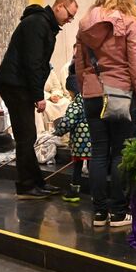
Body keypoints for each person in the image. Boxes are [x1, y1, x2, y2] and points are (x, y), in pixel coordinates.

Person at [75, 0, 136, 227]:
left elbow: (79, 65)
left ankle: (99, 213)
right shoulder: (128, 23)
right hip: (119, 94)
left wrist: (86, 88)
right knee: (119, 153)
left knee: (98, 152)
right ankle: (118, 212)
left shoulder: (85, 24)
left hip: (92, 94)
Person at [0, 0, 78, 199]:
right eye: (69, 15)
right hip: (15, 85)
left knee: (28, 135)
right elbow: (32, 62)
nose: (70, 20)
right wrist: (38, 95)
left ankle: (36, 182)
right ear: (59, 6)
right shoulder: (37, 23)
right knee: (26, 136)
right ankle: (26, 186)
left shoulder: (43, 24)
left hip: (18, 84)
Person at [53, 71, 91, 203]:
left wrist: (58, 132)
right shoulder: (91, 101)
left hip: (80, 143)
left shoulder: (75, 105)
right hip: (94, 141)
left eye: (69, 92)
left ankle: (74, 192)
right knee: (94, 167)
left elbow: (67, 122)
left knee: (77, 167)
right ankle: (96, 193)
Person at [35, 64, 71, 133]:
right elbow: (33, 89)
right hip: (39, 97)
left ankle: (64, 131)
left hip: (52, 96)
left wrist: (56, 94)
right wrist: (49, 97)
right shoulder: (31, 70)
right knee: (45, 106)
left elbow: (56, 86)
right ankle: (46, 132)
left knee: (66, 102)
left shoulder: (49, 69)